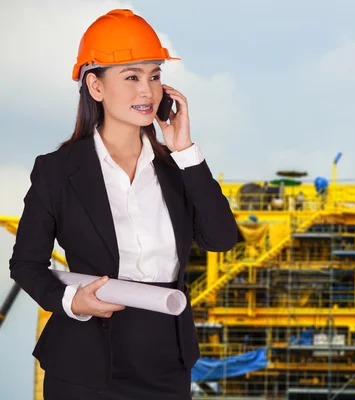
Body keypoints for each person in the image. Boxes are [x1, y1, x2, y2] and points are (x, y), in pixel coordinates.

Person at [8, 9, 238, 400]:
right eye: (131, 77)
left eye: (155, 75)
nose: (147, 91)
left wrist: (184, 151)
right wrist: (71, 301)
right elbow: (26, 264)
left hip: (167, 361)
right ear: (95, 86)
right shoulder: (57, 171)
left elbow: (220, 238)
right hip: (84, 361)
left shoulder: (178, 169)